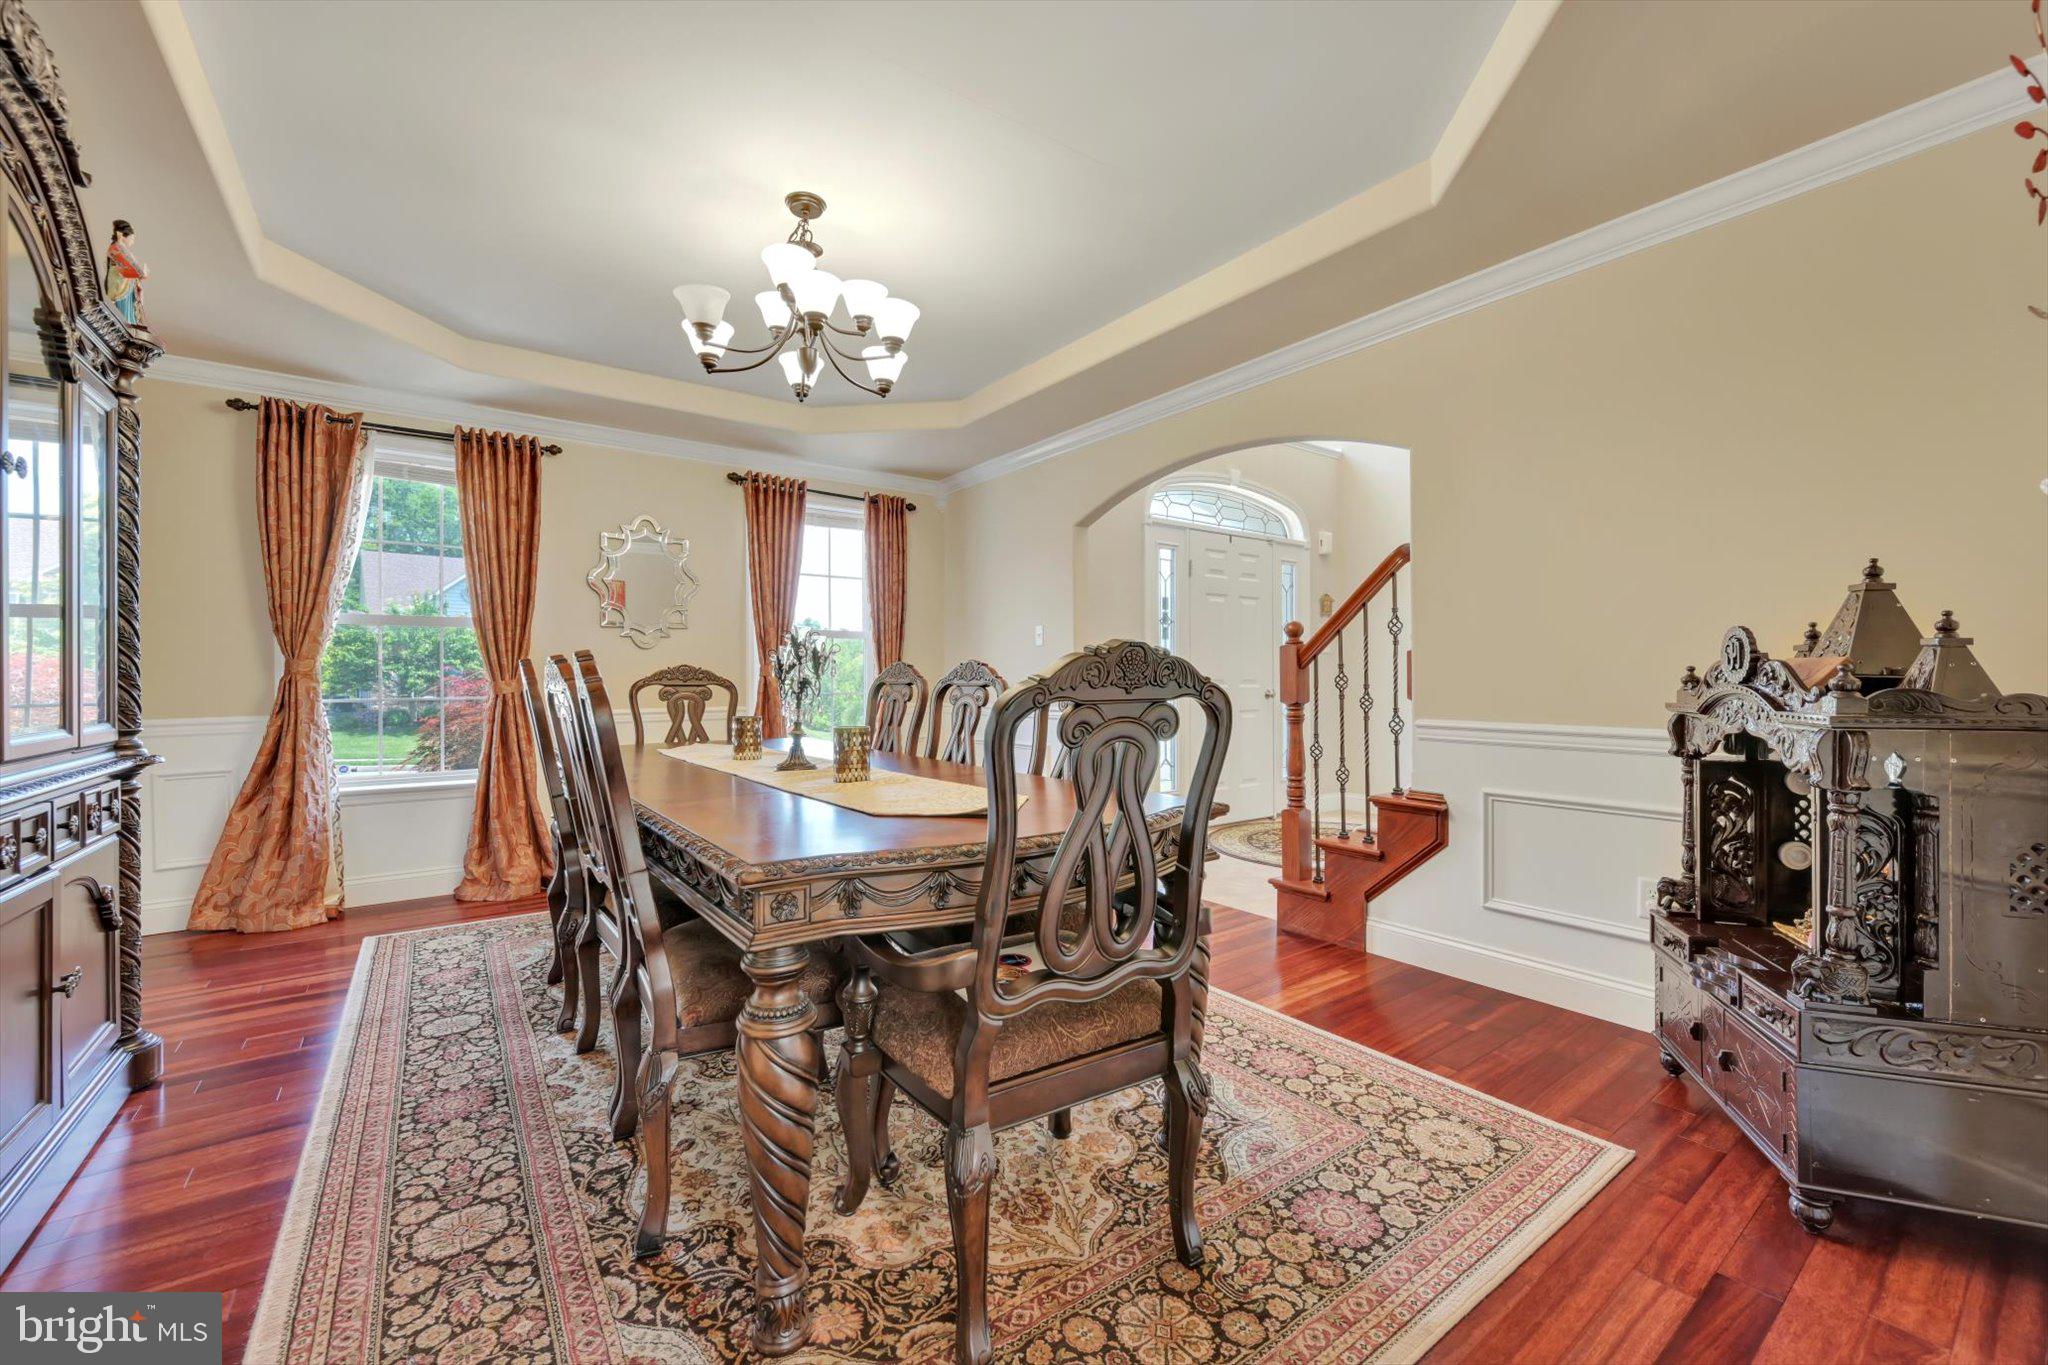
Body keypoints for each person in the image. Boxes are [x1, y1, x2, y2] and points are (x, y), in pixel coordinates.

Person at [103, 219, 147, 325]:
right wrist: (142, 273)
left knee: (130, 316)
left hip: (127, 288)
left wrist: (140, 273)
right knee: (122, 317)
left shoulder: (121, 249)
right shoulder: (116, 248)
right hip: (120, 288)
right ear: (123, 236)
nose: (133, 241)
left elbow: (134, 269)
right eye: (131, 238)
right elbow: (132, 269)